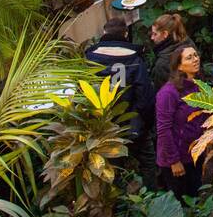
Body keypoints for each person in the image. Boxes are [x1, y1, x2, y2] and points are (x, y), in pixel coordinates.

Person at [86, 17, 156, 185]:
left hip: (103, 125)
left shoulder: (89, 59)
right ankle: (152, 196)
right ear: (125, 33)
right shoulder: (135, 60)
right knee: (147, 161)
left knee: (111, 167)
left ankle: (117, 203)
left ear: (104, 33)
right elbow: (145, 96)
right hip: (133, 123)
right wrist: (145, 122)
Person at [155, 45, 204, 198]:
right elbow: (164, 129)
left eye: (195, 55)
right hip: (177, 161)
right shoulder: (168, 93)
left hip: (195, 155)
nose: (195, 59)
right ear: (179, 66)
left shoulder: (198, 86)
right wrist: (174, 161)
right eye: (189, 57)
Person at [148, 12, 196, 90]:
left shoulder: (162, 63)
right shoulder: (188, 43)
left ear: (165, 34)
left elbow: (161, 92)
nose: (152, 38)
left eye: (155, 34)